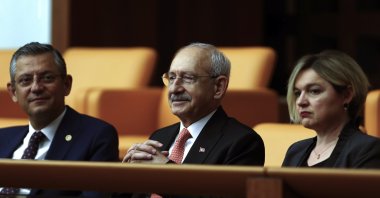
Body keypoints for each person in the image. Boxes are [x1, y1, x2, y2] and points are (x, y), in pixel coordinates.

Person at [0, 42, 119, 196]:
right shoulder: (2, 138)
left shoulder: (96, 136)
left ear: (66, 84)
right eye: (26, 80)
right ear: (13, 92)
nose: (36, 87)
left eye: (47, 78)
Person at [124, 42, 264, 165]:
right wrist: (126, 178)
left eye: (188, 78)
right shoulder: (159, 137)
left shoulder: (242, 143)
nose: (174, 89)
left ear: (218, 87)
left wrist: (165, 171)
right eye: (171, 78)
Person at [282, 50, 380, 168]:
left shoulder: (368, 150)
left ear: (347, 95)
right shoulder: (295, 151)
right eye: (297, 93)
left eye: (314, 91)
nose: (300, 102)